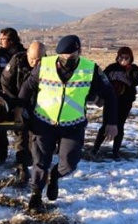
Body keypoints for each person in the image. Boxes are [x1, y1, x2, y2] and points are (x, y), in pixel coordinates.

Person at [18, 35, 118, 212]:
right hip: (43, 123)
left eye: (70, 57)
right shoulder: (45, 65)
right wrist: (20, 112)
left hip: (73, 126)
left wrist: (111, 122)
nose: (66, 60)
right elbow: (27, 87)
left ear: (79, 52)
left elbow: (109, 95)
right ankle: (35, 196)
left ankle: (54, 177)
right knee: (40, 162)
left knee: (69, 164)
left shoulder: (90, 69)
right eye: (62, 57)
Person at [0, 41, 47, 184]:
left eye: (40, 59)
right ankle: (21, 165)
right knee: (21, 133)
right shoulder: (17, 61)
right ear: (27, 54)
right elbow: (5, 82)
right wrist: (15, 104)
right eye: (33, 59)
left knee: (37, 136)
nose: (36, 62)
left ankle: (34, 162)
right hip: (18, 102)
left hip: (39, 106)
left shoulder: (50, 65)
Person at [90, 46, 138, 160]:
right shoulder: (111, 68)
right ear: (117, 57)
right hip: (111, 102)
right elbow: (102, 79)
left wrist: (130, 69)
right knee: (106, 125)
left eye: (126, 57)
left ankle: (115, 152)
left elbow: (137, 79)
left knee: (119, 126)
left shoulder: (133, 69)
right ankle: (95, 149)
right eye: (121, 57)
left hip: (125, 102)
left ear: (131, 58)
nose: (123, 59)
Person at [0, 27, 26, 166]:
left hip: (21, 97)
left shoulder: (24, 54)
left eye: (3, 39)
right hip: (2, 96)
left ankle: (22, 158)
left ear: (12, 40)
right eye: (0, 39)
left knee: (21, 129)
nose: (1, 42)